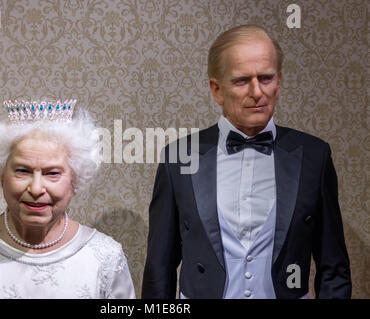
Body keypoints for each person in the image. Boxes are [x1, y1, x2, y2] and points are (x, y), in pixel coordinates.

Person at [142, 24, 351, 299]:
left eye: (266, 78)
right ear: (217, 89)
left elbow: (333, 266)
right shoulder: (179, 157)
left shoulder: (314, 155)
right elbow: (160, 268)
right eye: (242, 81)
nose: (257, 92)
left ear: (278, 83)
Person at [0, 100, 135, 299]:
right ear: (2, 175)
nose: (36, 188)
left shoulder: (106, 257)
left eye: (52, 173)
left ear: (75, 179)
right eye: (22, 171)